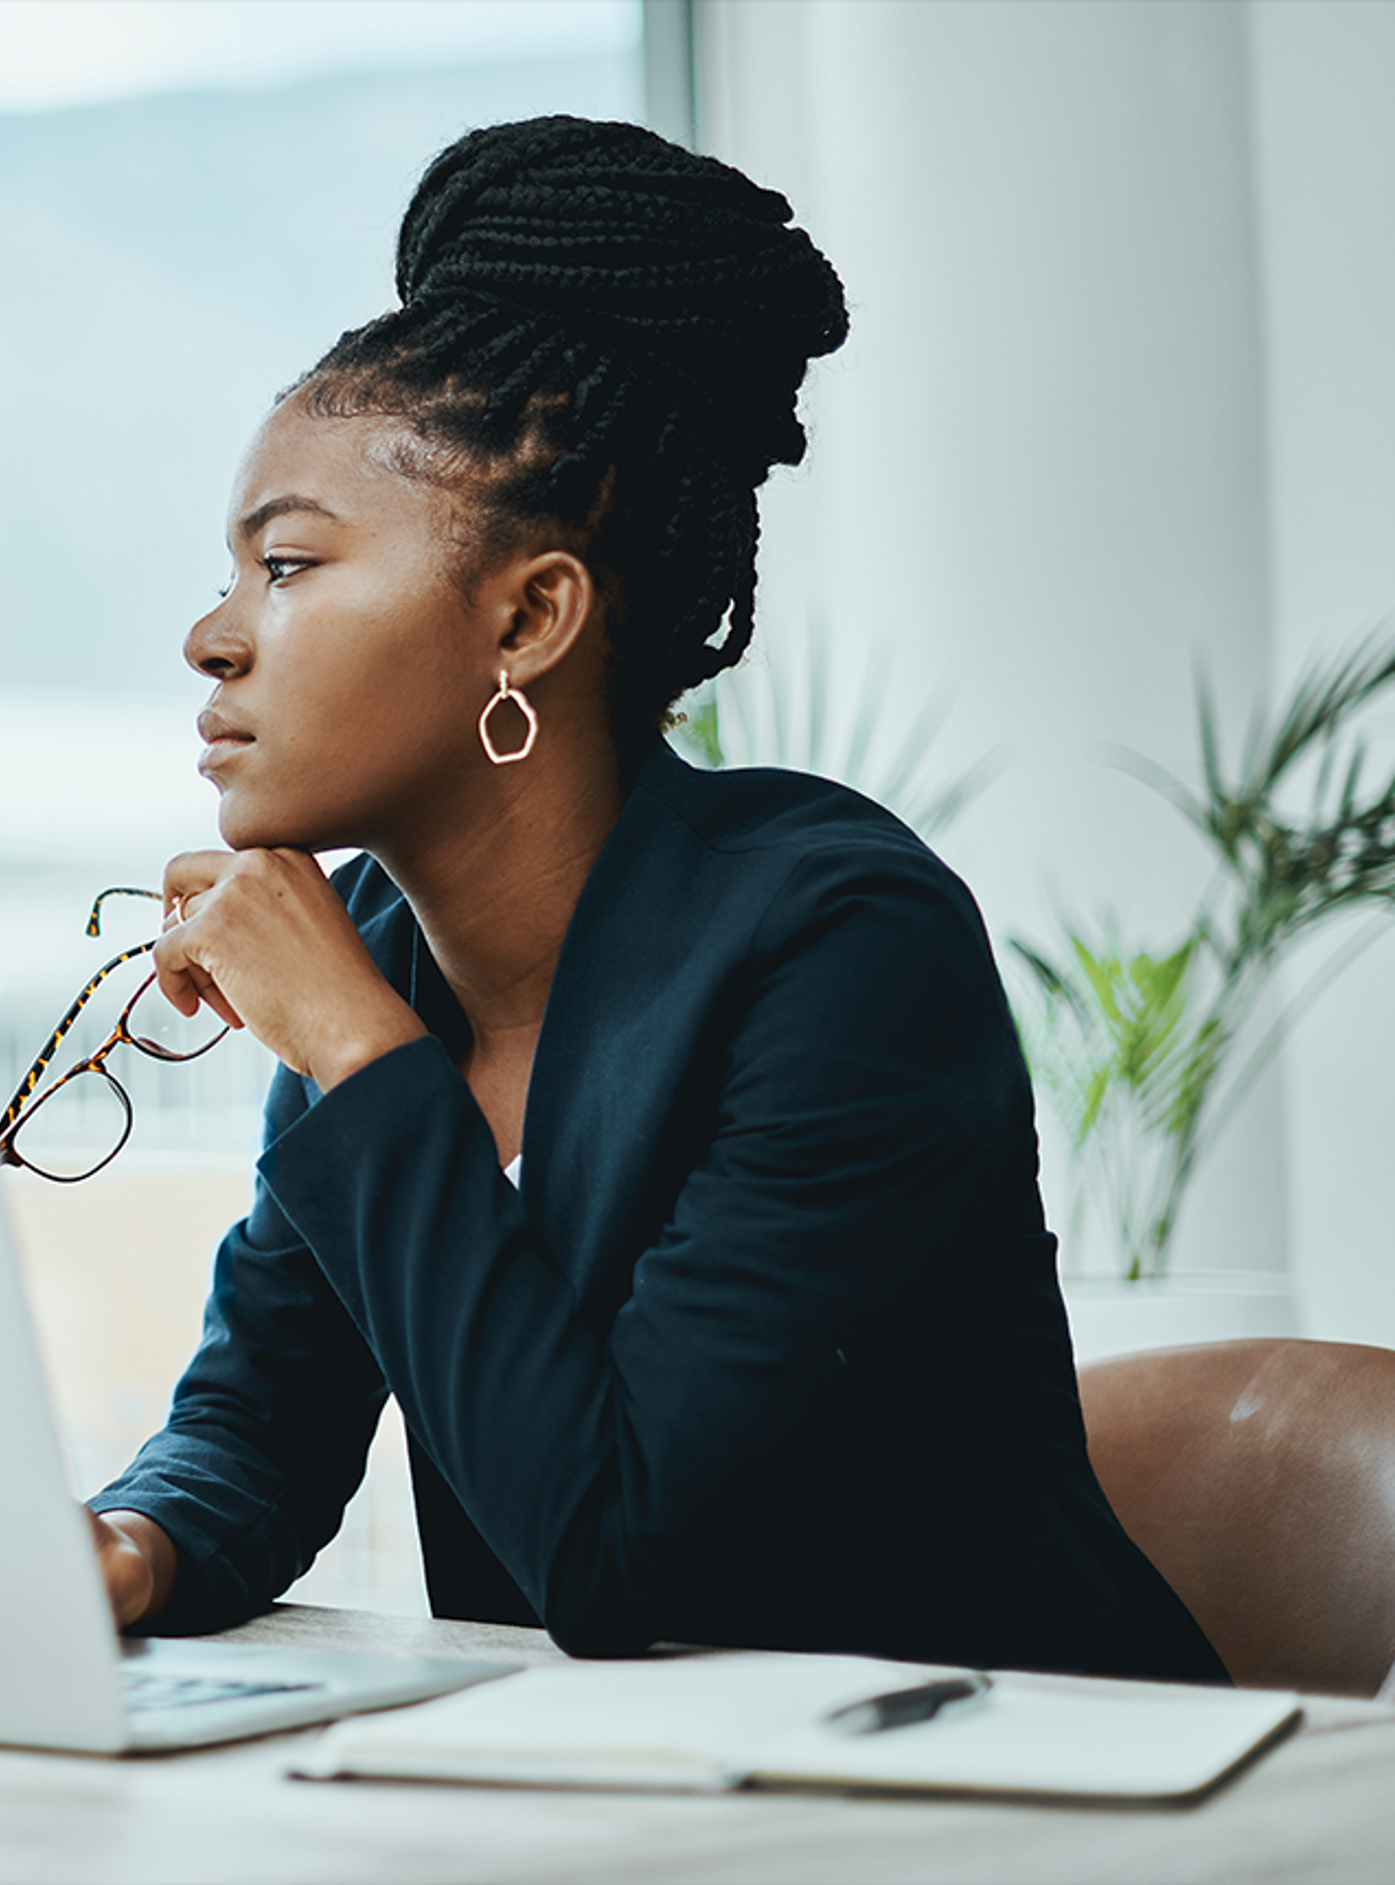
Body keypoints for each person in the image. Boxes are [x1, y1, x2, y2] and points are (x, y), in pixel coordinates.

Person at [82, 116, 1224, 1683]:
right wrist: (131, 1543)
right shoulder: (381, 964)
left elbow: (625, 1557)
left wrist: (360, 1060)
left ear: (531, 616)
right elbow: (259, 1425)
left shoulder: (842, 942)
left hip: (1003, 1801)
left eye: (286, 567)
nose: (213, 638)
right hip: (631, 1808)